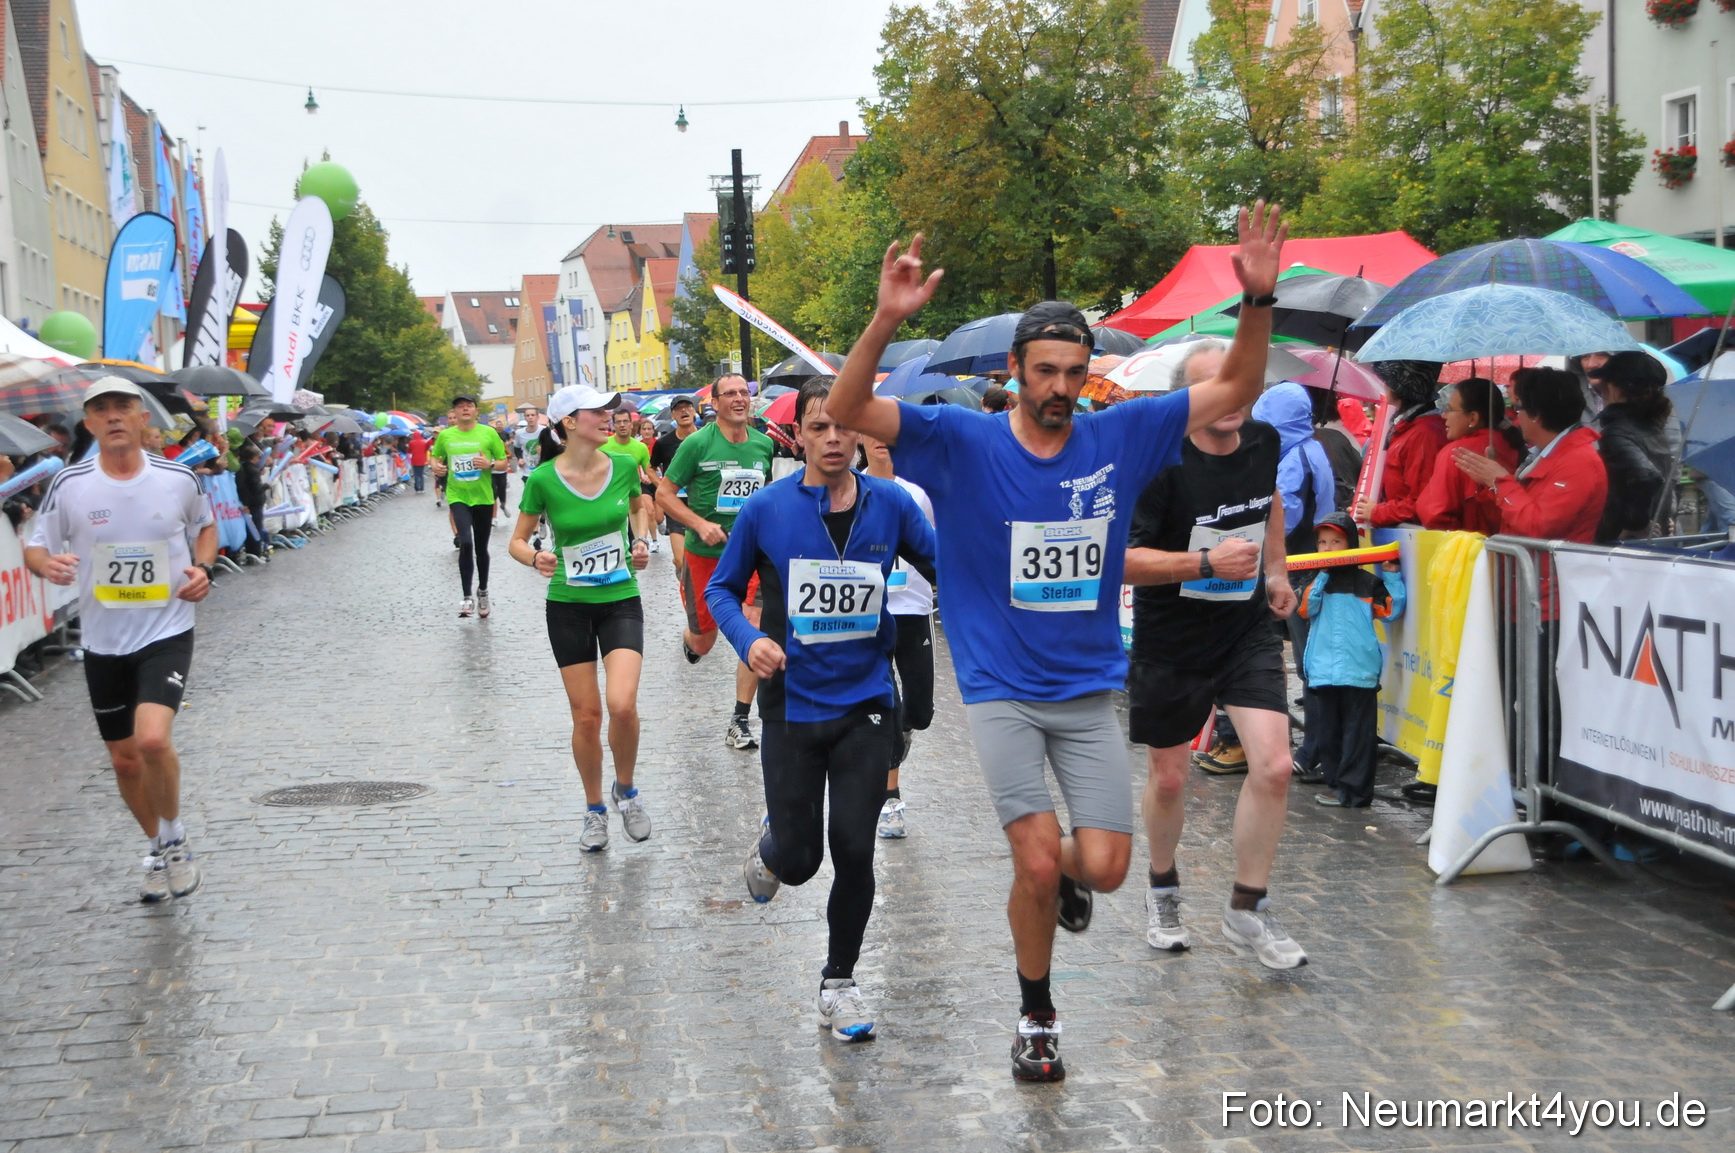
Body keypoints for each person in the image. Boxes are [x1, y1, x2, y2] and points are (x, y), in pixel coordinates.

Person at [824, 205, 1286, 1082]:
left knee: (1104, 868)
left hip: (1085, 689)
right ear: (1015, 370)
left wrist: (1257, 298)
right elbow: (847, 409)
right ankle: (1036, 1012)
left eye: (1074, 372)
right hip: (998, 686)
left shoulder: (1121, 431)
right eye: (1045, 371)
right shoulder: (959, 439)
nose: (1060, 388)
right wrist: (885, 318)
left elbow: (1232, 392)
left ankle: (1061, 880)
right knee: (1035, 857)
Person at [708, 378, 937, 1043]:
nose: (833, 438)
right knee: (804, 857)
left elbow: (944, 562)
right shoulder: (768, 509)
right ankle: (775, 846)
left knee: (855, 849)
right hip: (792, 705)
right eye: (818, 427)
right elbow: (722, 589)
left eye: (843, 426)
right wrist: (750, 640)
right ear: (799, 436)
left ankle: (839, 980)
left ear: (860, 432)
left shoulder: (890, 504)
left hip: (866, 701)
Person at [1124, 342, 1305, 969]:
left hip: (1244, 628)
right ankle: (1163, 888)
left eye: (1238, 382)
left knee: (1276, 766)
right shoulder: (1158, 463)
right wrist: (1204, 562)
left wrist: (1276, 571)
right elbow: (1126, 562)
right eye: (1213, 386)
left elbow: (1270, 505)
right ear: (1189, 398)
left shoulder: (1263, 442)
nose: (1230, 398)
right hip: (1172, 636)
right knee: (1170, 777)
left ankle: (1246, 908)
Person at [23, 378, 217, 902]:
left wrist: (202, 568)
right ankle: (157, 846)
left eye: (123, 408)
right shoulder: (71, 483)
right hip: (105, 640)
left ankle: (175, 840)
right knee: (124, 759)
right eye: (100, 410)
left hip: (167, 630)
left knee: (152, 739)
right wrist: (49, 565)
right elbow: (35, 548)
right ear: (88, 423)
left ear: (142, 419)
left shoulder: (178, 479)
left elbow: (206, 529)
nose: (112, 417)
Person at [508, 385, 655, 852]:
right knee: (587, 717)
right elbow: (517, 540)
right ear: (569, 422)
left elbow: (637, 509)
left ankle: (626, 791)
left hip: (620, 598)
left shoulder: (627, 466)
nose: (610, 416)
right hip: (568, 604)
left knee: (622, 704)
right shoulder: (544, 480)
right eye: (598, 411)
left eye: (610, 410)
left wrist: (640, 541)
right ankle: (594, 810)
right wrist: (535, 559)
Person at [657, 375, 776, 751]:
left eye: (744, 393)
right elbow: (664, 494)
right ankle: (690, 640)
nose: (740, 399)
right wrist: (699, 523)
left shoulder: (764, 444)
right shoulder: (697, 443)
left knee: (754, 627)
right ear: (714, 402)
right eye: (731, 394)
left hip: (753, 555)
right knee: (704, 641)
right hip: (705, 558)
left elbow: (767, 497)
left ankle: (739, 719)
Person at [1250, 381, 1334, 784]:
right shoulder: (1310, 448)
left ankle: (1313, 750)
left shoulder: (1293, 458)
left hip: (1300, 569)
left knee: (1308, 663)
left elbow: (1284, 518)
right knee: (1310, 662)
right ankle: (1312, 746)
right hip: (1312, 564)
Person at [1296, 512, 1405, 809]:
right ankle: (1335, 784)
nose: (1328, 548)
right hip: (1323, 670)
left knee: (1358, 735)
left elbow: (1391, 610)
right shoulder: (1313, 580)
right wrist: (1320, 575)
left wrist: (1392, 575)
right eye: (1322, 543)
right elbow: (1305, 608)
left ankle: (1354, 792)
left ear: (1352, 545)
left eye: (1336, 542)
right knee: (1328, 733)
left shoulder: (1366, 582)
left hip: (1359, 670)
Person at [859, 432, 936, 839]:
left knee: (918, 712)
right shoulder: (851, 489)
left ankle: (901, 726)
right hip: (872, 614)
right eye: (872, 436)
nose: (881, 443)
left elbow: (943, 545)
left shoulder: (919, 492)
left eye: (888, 435)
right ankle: (891, 799)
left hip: (915, 609)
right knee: (886, 704)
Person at [1452, 367, 1607, 542]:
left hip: (1550, 568)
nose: (1516, 418)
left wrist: (1500, 481)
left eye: (1518, 408)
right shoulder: (1545, 453)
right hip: (1528, 565)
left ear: (1536, 415)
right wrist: (1491, 482)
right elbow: (1512, 517)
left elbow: (1539, 527)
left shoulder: (1578, 462)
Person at [428, 394, 510, 618]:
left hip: (483, 497)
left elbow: (504, 462)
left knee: (481, 548)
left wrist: (490, 464)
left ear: (476, 410)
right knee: (465, 542)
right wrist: (436, 467)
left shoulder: (488, 433)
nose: (465, 410)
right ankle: (466, 597)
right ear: (454, 412)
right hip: (458, 496)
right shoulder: (446, 435)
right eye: (460, 407)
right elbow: (435, 458)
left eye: (469, 406)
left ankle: (482, 590)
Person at [1586, 352, 1677, 541]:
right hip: (1655, 538)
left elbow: (1647, 476)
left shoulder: (1617, 432)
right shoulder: (1652, 426)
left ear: (1617, 389)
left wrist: (1636, 524)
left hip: (1625, 543)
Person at [1416, 378, 1519, 534]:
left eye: (1450, 409)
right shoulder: (1512, 443)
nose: (1444, 416)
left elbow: (1434, 514)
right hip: (1508, 547)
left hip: (1470, 550)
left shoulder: (1457, 453)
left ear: (1473, 418)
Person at [1354, 360, 1448, 528]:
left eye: (1387, 380)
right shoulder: (1411, 426)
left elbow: (1420, 501)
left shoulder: (1425, 434)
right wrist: (1367, 509)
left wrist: (1377, 512)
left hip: (1413, 538)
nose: (1383, 385)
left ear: (1399, 388)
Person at [652, 395, 702, 582]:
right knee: (682, 562)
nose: (684, 411)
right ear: (673, 415)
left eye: (687, 407)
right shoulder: (664, 443)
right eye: (679, 409)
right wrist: (661, 486)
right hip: (676, 507)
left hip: (703, 506)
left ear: (694, 411)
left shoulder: (708, 436)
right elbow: (651, 467)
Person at [408, 428, 432, 493]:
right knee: (421, 475)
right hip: (422, 460)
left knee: (416, 475)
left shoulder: (411, 442)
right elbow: (426, 449)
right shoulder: (424, 442)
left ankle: (417, 488)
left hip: (414, 460)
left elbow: (409, 450)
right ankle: (422, 488)